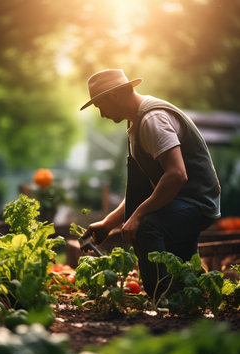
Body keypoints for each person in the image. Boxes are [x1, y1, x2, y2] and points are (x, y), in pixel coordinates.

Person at [80, 69, 221, 299]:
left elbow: (176, 175)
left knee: (146, 226)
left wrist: (137, 216)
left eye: (100, 106)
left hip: (196, 202)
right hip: (176, 203)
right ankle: (190, 306)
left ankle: (161, 301)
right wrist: (108, 223)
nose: (102, 114)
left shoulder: (152, 120)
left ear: (114, 96)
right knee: (187, 278)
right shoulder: (136, 125)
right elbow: (145, 192)